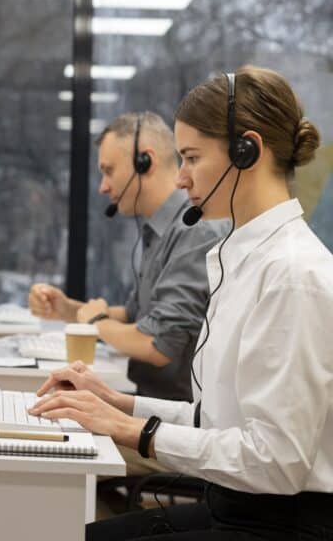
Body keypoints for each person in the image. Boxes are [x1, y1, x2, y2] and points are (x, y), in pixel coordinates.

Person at [30, 66, 332, 539]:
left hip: (280, 523)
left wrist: (136, 432)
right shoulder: (246, 257)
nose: (180, 179)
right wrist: (119, 404)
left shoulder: (292, 276)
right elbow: (219, 420)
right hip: (237, 506)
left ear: (245, 151)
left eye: (190, 158)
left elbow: (276, 462)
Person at [29, 112, 228, 403]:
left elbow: (157, 344)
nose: (103, 187)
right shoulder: (159, 231)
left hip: (173, 419)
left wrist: (95, 320)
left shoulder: (192, 230)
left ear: (143, 162)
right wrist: (68, 310)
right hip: (147, 403)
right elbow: (136, 316)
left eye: (108, 171)